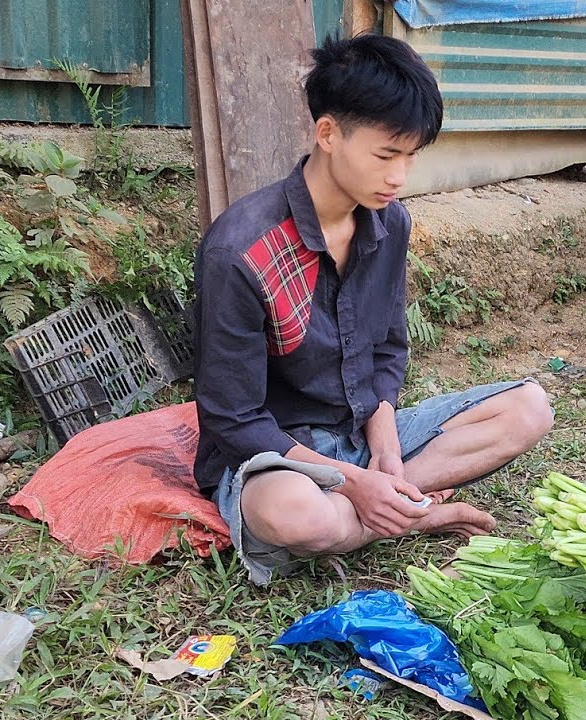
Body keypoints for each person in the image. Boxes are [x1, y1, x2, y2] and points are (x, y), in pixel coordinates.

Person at [191, 34, 553, 586]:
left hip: (361, 433)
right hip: (281, 456)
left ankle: (385, 506)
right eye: (386, 155)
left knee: (530, 409)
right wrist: (351, 481)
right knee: (295, 513)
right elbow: (233, 419)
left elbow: (386, 347)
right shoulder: (240, 251)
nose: (399, 177)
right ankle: (411, 511)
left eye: (411, 156)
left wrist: (383, 447)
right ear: (329, 133)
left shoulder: (389, 222)